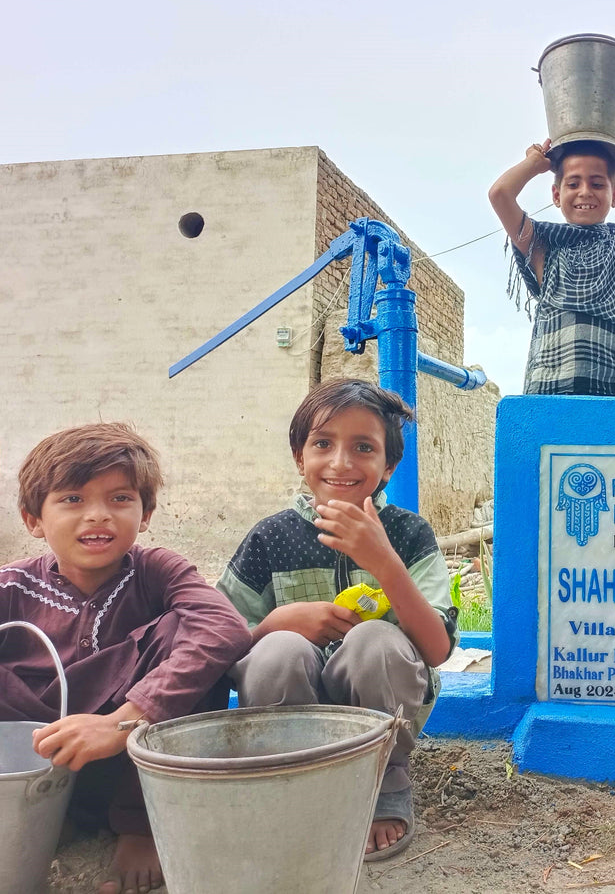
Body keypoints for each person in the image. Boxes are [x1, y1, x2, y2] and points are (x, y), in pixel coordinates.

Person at [0, 423, 251, 894]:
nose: (98, 516)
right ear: (34, 519)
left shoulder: (157, 571)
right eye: (72, 499)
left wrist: (124, 721)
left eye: (119, 498)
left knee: (187, 636)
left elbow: (224, 626)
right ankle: (47, 816)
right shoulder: (11, 587)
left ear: (146, 512)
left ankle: (140, 826)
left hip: (129, 755)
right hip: (40, 755)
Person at [216, 378, 457, 861]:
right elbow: (221, 638)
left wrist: (384, 561)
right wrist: (274, 623)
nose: (341, 462)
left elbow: (437, 648)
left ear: (388, 466)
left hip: (381, 708)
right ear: (298, 457)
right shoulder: (270, 537)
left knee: (375, 640)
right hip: (290, 711)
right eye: (323, 443)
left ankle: (383, 781)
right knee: (276, 649)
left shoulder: (408, 534)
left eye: (363, 447)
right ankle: (294, 782)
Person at [488, 137, 615, 396]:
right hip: (551, 398)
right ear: (556, 195)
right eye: (573, 184)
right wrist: (533, 163)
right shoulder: (543, 250)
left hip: (613, 398)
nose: (585, 192)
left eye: (597, 184)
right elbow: (500, 194)